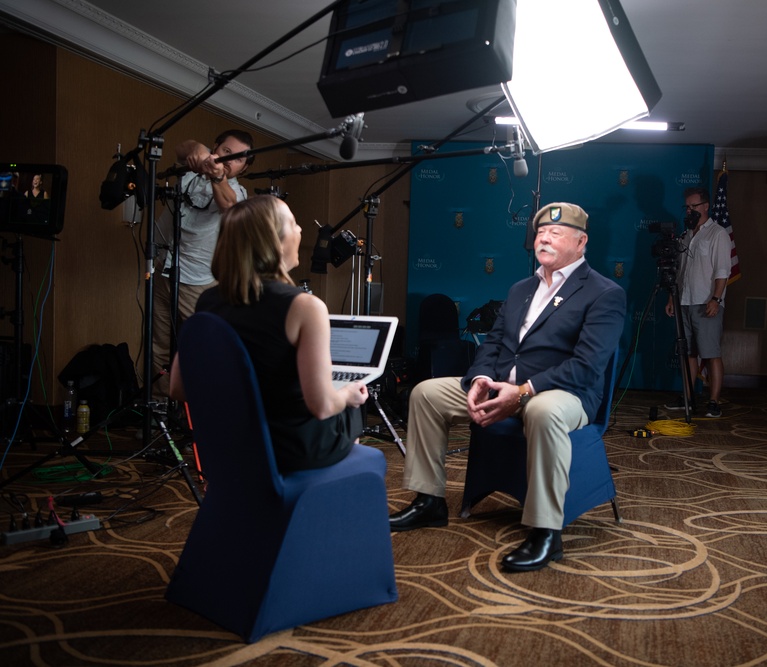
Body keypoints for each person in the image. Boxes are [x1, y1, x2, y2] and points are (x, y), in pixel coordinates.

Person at [389, 202, 626, 572]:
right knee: (426, 393)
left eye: (556, 234)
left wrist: (526, 390)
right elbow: (493, 345)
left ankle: (546, 532)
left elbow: (587, 366)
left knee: (543, 412)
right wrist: (481, 379)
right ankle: (429, 501)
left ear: (581, 243)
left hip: (563, 394)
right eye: (541, 233)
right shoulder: (521, 289)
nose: (544, 238)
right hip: (504, 386)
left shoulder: (603, 293)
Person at [168, 195, 369, 473]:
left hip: (230, 445)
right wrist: (347, 394)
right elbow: (322, 406)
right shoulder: (305, 307)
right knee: (351, 409)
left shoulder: (207, 302)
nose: (300, 231)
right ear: (274, 241)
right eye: (294, 223)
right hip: (288, 451)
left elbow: (178, 387)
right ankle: (330, 498)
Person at [153, 129, 254, 400]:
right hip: (163, 270)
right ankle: (159, 409)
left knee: (203, 349)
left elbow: (229, 207)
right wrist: (196, 146)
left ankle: (201, 415)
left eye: (238, 159)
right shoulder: (190, 171)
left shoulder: (236, 192)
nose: (228, 160)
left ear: (243, 169)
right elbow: (182, 146)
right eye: (226, 152)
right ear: (216, 147)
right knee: (157, 346)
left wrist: (216, 174)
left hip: (198, 282)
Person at [665, 186, 729, 418]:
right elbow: (680, 272)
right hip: (684, 300)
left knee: (710, 352)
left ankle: (713, 401)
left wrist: (716, 298)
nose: (690, 210)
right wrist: (672, 298)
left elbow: (723, 270)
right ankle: (688, 397)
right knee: (688, 353)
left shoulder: (718, 234)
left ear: (705, 206)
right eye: (687, 207)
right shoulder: (686, 235)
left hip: (706, 301)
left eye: (694, 206)